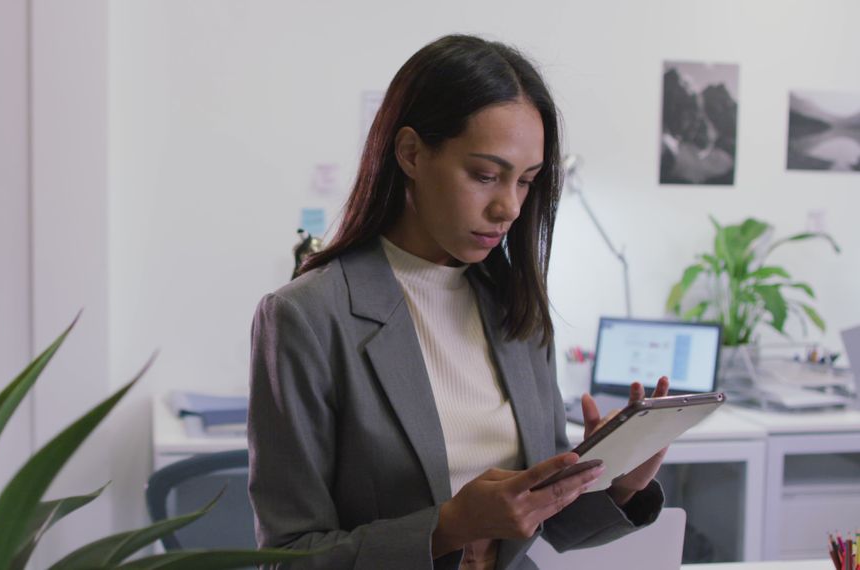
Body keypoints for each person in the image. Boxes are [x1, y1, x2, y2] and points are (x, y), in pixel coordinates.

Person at [247, 34, 668, 570]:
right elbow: (285, 558)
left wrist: (617, 484)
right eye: (486, 175)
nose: (509, 207)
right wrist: (449, 528)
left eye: (526, 182)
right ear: (411, 154)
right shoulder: (306, 317)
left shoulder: (518, 308)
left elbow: (539, 523)